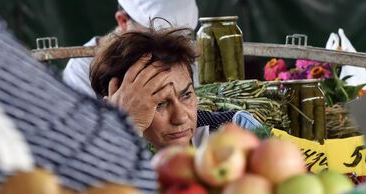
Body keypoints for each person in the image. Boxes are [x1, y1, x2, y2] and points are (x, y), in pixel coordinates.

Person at [90, 27, 262, 149]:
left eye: (186, 95)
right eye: (160, 104)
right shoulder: (99, 153)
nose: (180, 117)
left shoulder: (238, 130)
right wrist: (126, 127)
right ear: (116, 106)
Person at [63, 0, 198, 96]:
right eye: (157, 37)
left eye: (182, 38)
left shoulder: (183, 53)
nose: (171, 51)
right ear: (123, 21)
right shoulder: (80, 72)